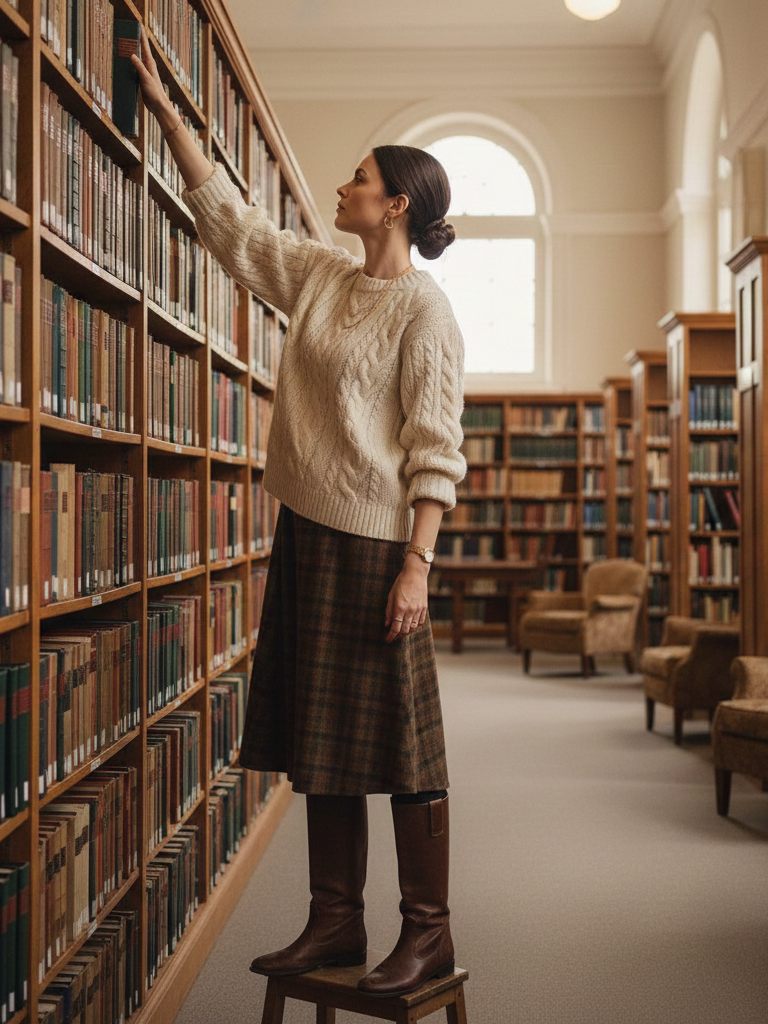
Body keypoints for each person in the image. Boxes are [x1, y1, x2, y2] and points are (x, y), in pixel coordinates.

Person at [132, 26, 466, 998]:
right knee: (324, 741)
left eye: (359, 176)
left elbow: (434, 447)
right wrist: (167, 113)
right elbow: (231, 229)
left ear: (394, 203)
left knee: (401, 744)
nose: (342, 184)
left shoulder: (426, 313)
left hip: (380, 549)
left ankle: (428, 930)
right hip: (309, 535)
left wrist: (418, 562)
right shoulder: (323, 278)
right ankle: (334, 920)